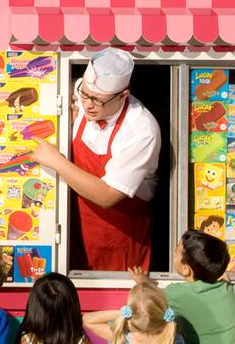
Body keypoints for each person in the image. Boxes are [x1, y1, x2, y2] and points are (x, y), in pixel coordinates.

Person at [31, 49, 163, 272]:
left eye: (97, 101)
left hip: (120, 238)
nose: (88, 104)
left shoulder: (141, 130)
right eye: (84, 94)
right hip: (75, 224)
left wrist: (57, 161)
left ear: (123, 96)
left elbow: (106, 196)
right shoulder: (82, 93)